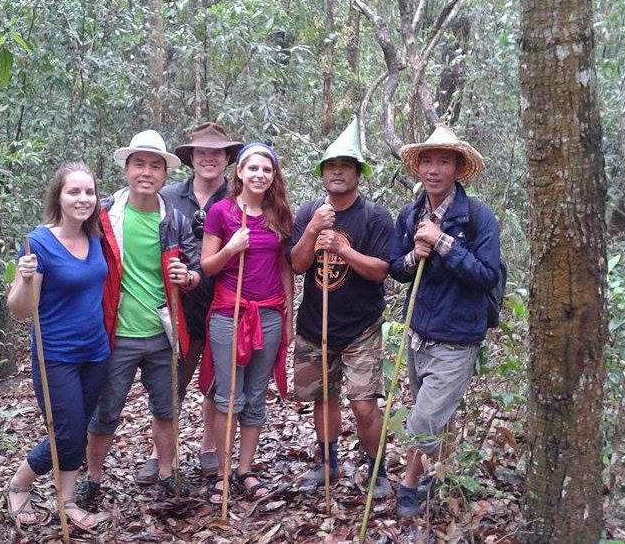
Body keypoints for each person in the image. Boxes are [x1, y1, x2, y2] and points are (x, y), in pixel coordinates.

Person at [74, 130, 201, 507]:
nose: (147, 172)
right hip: (117, 332)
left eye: (155, 166)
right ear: (127, 169)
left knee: (166, 408)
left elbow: (195, 269)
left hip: (163, 332)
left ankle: (167, 473)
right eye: (139, 164)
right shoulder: (104, 214)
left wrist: (188, 278)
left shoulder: (175, 220)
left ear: (165, 174)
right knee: (106, 411)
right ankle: (92, 479)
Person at [388, 125, 501, 518]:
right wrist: (412, 256)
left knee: (422, 420)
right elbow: (396, 268)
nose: (434, 169)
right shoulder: (410, 214)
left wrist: (444, 243)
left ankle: (408, 484)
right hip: (419, 334)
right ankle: (443, 472)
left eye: (444, 161)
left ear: (457, 168)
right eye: (428, 161)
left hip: (457, 338)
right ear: (418, 167)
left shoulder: (478, 218)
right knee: (434, 412)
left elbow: (488, 275)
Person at [288, 118, 395, 499]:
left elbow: (382, 270)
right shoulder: (309, 213)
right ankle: (327, 462)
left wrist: (344, 250)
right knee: (324, 398)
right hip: (315, 326)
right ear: (322, 173)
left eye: (345, 166)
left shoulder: (376, 217)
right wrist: (313, 231)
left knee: (364, 405)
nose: (337, 172)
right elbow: (297, 264)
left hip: (360, 328)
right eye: (331, 166)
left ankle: (378, 468)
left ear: (357, 173)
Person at [5, 162, 110, 532]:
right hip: (55, 354)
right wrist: (26, 278)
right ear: (58, 197)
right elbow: (20, 309)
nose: (83, 199)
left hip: (95, 351)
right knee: (65, 430)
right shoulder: (38, 243)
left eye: (88, 192)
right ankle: (19, 485)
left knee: (77, 428)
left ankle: (65, 501)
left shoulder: (96, 236)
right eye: (74, 192)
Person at [139, 122, 243, 484]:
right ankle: (158, 453)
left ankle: (208, 447)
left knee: (216, 382)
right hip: (177, 305)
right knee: (170, 382)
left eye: (217, 153)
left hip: (224, 304)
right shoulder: (168, 196)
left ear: (228, 158)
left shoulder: (238, 198)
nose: (209, 159)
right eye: (202, 153)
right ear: (191, 158)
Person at [198, 142, 294, 501]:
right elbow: (207, 266)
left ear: (273, 176)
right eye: (252, 168)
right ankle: (222, 474)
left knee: (256, 395)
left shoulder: (279, 214)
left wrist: (289, 315)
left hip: (269, 312)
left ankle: (245, 471)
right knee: (229, 396)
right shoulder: (221, 212)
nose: (259, 175)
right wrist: (230, 249)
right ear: (239, 172)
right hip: (229, 313)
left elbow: (284, 267)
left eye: (266, 170)